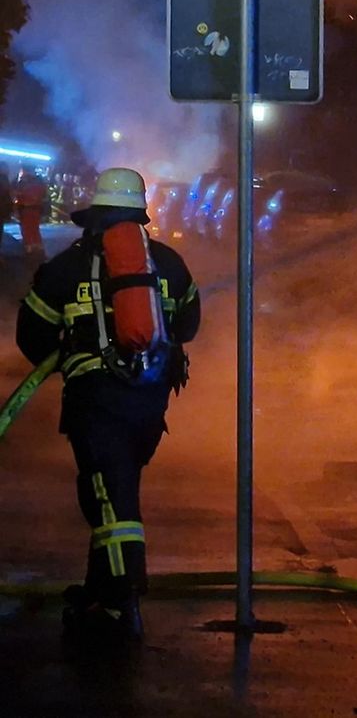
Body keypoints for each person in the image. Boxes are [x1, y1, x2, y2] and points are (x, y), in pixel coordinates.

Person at [15, 167, 201, 643]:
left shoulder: (65, 268)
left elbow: (31, 338)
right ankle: (99, 591)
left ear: (94, 214)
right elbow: (189, 325)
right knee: (112, 492)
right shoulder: (169, 263)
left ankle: (121, 601)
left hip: (95, 403)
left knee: (110, 501)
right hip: (149, 403)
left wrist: (69, 351)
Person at [14, 167, 49, 260]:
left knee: (27, 229)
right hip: (36, 209)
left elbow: (18, 196)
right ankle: (38, 249)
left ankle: (29, 249)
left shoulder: (23, 182)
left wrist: (16, 209)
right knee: (34, 229)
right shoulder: (39, 182)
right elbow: (44, 197)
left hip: (26, 209)